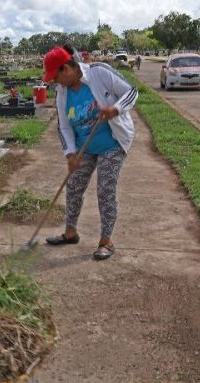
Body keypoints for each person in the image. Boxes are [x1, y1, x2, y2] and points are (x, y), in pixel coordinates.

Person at [41, 46, 138, 261]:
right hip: (84, 145)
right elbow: (64, 126)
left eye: (55, 77)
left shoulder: (98, 72)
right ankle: (70, 232)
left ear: (66, 69)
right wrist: (70, 154)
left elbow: (131, 92)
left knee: (105, 190)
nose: (55, 82)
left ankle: (106, 241)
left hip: (113, 142)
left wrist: (115, 109)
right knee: (74, 185)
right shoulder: (62, 92)